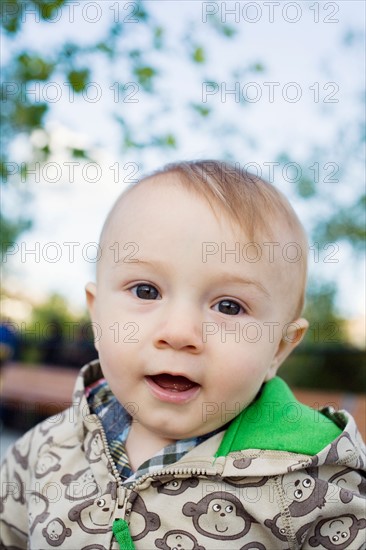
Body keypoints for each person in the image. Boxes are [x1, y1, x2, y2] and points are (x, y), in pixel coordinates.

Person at [1, 160, 365, 549]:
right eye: (145, 291)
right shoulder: (45, 450)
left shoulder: (311, 484)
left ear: (277, 348)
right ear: (97, 314)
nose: (178, 333)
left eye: (228, 307)